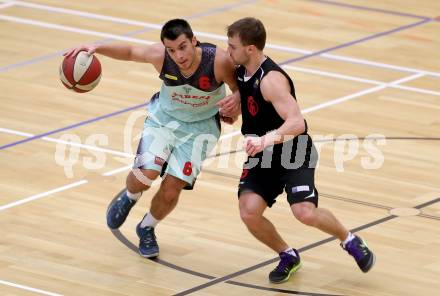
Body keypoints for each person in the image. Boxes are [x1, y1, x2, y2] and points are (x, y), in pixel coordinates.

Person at [65, 19, 239, 258]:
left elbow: (240, 88)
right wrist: (97, 48)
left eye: (183, 47)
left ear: (194, 41)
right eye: (172, 50)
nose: (178, 55)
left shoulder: (218, 61)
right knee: (144, 177)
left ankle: (147, 227)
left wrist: (235, 106)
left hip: (201, 128)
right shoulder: (160, 57)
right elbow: (130, 52)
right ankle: (130, 196)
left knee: (171, 189)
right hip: (163, 121)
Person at [221, 17, 375, 284]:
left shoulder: (272, 81)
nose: (227, 51)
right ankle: (288, 255)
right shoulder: (241, 72)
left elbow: (297, 122)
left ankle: (350, 240)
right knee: (248, 212)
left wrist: (265, 140)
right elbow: (252, 103)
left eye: (232, 46)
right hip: (264, 155)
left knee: (304, 212)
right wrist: (233, 106)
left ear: (251, 49)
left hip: (293, 150)